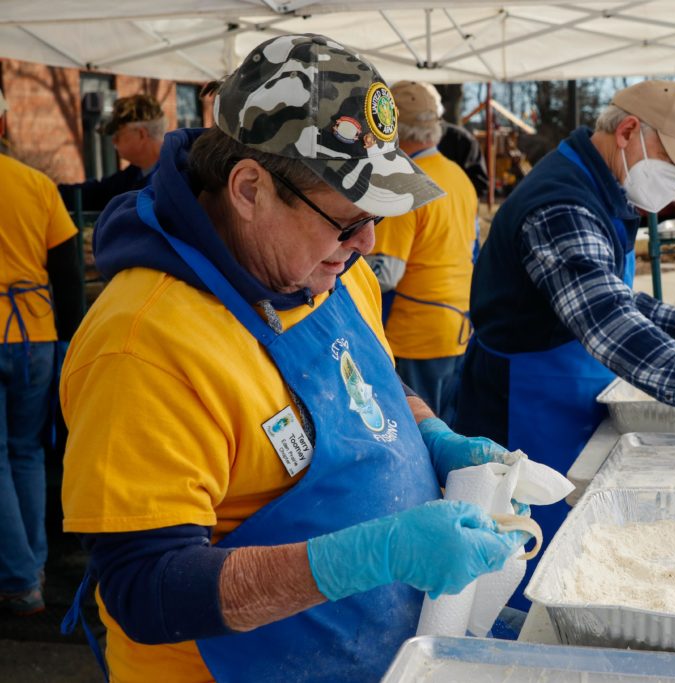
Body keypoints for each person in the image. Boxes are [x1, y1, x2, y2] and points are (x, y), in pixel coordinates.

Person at [60, 34, 525, 682]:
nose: (367, 240)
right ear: (249, 189)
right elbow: (148, 588)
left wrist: (431, 432)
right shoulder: (143, 344)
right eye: (346, 219)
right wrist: (365, 557)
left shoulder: (331, 265)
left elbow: (375, 381)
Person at [453, 80, 675, 606]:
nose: (672, 184)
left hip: (565, 394)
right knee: (526, 561)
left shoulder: (599, 189)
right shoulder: (563, 205)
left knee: (572, 547)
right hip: (519, 410)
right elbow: (608, 324)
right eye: (672, 164)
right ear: (627, 133)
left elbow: (600, 291)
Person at [0, 86, 83, 616]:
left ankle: (18, 578)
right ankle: (34, 565)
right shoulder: (36, 184)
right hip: (35, 337)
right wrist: (70, 338)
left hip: (24, 331)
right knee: (28, 452)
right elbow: (69, 276)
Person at [366, 80, 478, 422]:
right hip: (457, 327)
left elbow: (386, 272)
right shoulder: (458, 175)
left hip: (414, 334)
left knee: (419, 436)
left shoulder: (405, 181)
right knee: (446, 433)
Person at [59, 93, 166, 212]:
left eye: (118, 134)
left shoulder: (177, 175)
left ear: (141, 134)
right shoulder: (134, 175)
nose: (114, 140)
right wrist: (47, 191)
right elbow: (97, 193)